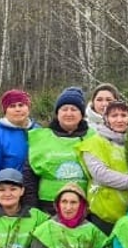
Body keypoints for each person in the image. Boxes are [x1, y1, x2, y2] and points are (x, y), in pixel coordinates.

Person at [26, 87, 90, 215]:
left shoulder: (93, 137)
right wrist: (31, 207)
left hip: (83, 205)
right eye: (64, 109)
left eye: (74, 109)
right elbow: (29, 176)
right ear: (57, 113)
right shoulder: (41, 137)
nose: (69, 113)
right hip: (48, 205)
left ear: (82, 114)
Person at [78, 100, 128, 228]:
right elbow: (101, 175)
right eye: (114, 116)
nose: (119, 120)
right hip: (103, 211)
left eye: (123, 115)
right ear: (106, 119)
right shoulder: (94, 143)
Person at [0, 89, 40, 209]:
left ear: (28, 108)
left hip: (37, 197)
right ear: (5, 111)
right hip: (9, 198)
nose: (18, 109)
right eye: (12, 106)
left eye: (21, 105)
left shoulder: (40, 132)